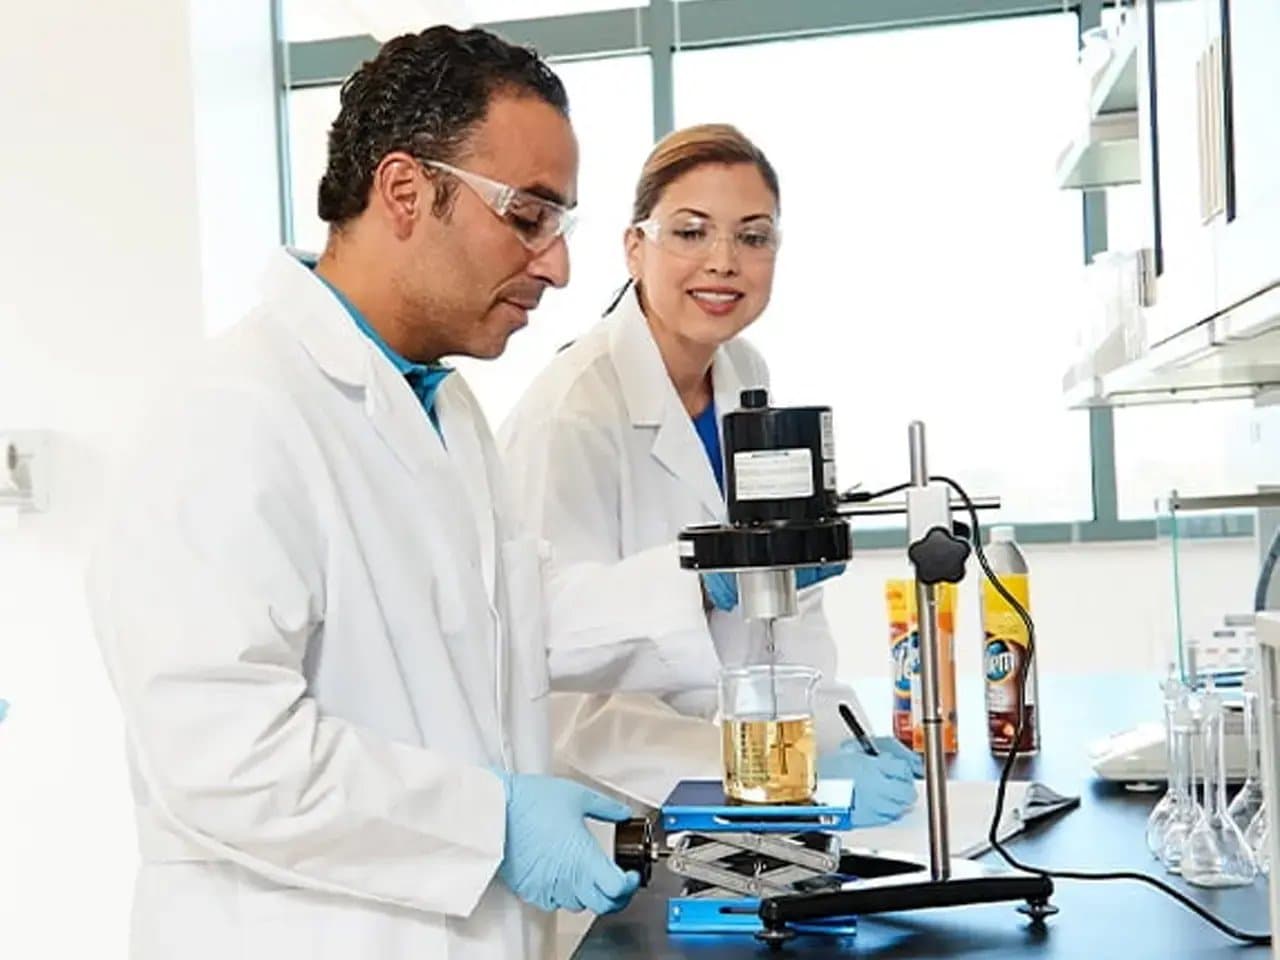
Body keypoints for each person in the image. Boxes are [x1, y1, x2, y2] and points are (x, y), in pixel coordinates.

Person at [86, 27, 638, 960]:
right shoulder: (232, 415)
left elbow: (505, 621)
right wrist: (488, 822)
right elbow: (222, 756)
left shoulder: (443, 405)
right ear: (406, 191)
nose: (558, 265)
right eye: (530, 215)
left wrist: (706, 586)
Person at [499, 124, 923, 820]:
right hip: (614, 807)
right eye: (691, 233)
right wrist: (703, 583)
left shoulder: (743, 374)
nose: (723, 261)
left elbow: (784, 616)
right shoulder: (574, 411)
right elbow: (546, 661)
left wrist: (835, 734)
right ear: (635, 248)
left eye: (753, 237)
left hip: (743, 786)